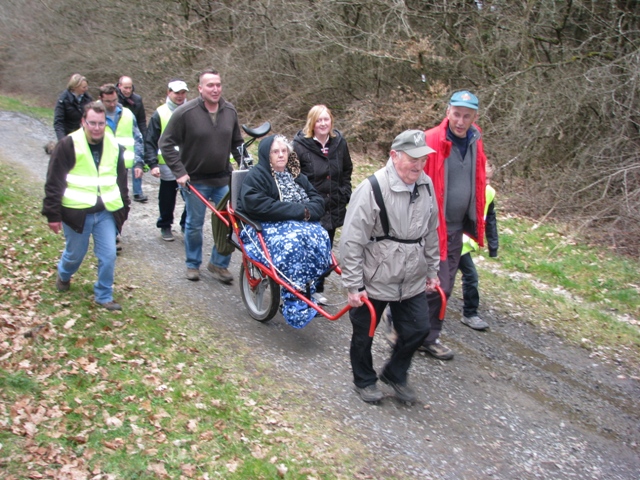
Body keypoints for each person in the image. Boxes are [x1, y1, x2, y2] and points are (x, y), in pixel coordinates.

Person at [340, 130, 440, 404]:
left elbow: (431, 231)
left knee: (419, 328)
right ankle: (364, 380)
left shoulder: (426, 185)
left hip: (412, 277)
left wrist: (432, 270)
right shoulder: (371, 188)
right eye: (413, 159)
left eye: (423, 159)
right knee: (364, 334)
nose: (419, 166)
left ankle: (395, 373)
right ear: (394, 155)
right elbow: (351, 241)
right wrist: (354, 285)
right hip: (375, 277)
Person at [42, 101, 130, 311]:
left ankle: (103, 295)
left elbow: (121, 180)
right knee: (75, 255)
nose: (97, 128)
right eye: (92, 123)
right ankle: (64, 274)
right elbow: (54, 181)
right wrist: (53, 214)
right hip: (76, 213)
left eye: (101, 123)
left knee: (108, 255)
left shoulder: (114, 146)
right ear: (83, 122)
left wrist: (124, 208)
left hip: (105, 212)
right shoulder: (68, 145)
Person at [236, 134, 331, 328]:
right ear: (267, 155)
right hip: (265, 225)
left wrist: (307, 212)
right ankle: (294, 301)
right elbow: (257, 205)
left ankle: (307, 290)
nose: (281, 155)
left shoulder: (296, 175)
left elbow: (318, 202)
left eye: (284, 151)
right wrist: (300, 211)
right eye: (275, 152)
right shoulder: (258, 175)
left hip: (299, 225)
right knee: (293, 244)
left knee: (320, 236)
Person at [159, 68, 244, 283]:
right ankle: (192, 264)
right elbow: (165, 143)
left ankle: (218, 263)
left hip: (223, 178)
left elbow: (237, 143)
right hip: (195, 180)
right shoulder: (185, 113)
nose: (215, 89)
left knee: (230, 222)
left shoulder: (230, 111)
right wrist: (179, 172)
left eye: (218, 85)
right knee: (195, 225)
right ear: (200, 88)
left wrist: (245, 163)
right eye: (210, 85)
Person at [421, 90, 488, 359]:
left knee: (443, 286)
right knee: (434, 283)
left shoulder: (475, 140)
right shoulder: (431, 139)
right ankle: (407, 329)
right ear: (447, 112)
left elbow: (479, 176)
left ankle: (425, 336)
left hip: (456, 227)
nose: (460, 121)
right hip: (431, 227)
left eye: (466, 116)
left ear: (475, 117)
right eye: (457, 114)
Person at [293, 105, 352, 304]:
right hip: (311, 209)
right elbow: (293, 176)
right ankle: (302, 289)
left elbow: (346, 171)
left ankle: (318, 288)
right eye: (319, 120)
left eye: (326, 119)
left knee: (325, 251)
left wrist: (345, 193)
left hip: (333, 207)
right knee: (309, 250)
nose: (323, 124)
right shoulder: (300, 146)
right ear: (312, 123)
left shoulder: (339, 143)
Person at [144, 79, 189, 241]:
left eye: (183, 93)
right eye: (177, 93)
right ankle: (165, 225)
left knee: (191, 197)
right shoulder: (160, 113)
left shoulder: (193, 110)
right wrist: (152, 163)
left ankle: (186, 225)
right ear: (168, 93)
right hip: (167, 164)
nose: (180, 96)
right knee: (167, 198)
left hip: (188, 163)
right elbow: (150, 140)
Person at [458, 178, 498, 330]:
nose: (486, 181)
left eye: (489, 178)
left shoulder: (489, 192)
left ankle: (470, 314)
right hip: (449, 242)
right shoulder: (462, 187)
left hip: (463, 247)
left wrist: (493, 246)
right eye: (483, 177)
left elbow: (490, 220)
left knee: (471, 276)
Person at [98, 84, 146, 203]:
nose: (112, 104)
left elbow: (138, 139)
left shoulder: (128, 114)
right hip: (100, 165)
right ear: (100, 99)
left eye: (114, 100)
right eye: (108, 101)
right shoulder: (93, 115)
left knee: (121, 201)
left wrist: (139, 163)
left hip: (122, 165)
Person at [117, 75, 148, 202]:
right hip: (119, 135)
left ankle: (137, 192)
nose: (128, 90)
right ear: (119, 86)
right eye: (125, 88)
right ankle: (120, 191)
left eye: (130, 88)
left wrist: (145, 137)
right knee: (120, 166)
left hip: (134, 134)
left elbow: (141, 120)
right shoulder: (114, 99)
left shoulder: (137, 100)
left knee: (137, 162)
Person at [53, 74, 93, 141]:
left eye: (86, 87)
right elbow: (58, 122)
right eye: (83, 87)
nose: (86, 89)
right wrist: (62, 141)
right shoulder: (63, 100)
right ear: (75, 87)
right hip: (68, 134)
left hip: (83, 135)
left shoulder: (88, 99)